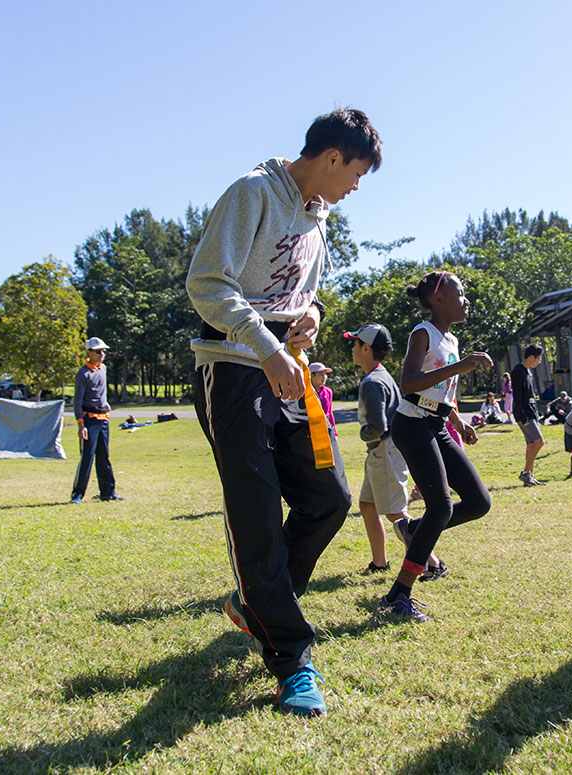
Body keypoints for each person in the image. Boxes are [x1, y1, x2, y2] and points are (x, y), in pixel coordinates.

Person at [185, 107, 381, 717]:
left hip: (290, 371)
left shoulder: (320, 217)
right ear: (332, 157)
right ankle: (292, 658)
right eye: (357, 174)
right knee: (258, 514)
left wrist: (312, 317)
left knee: (329, 498)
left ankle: (260, 605)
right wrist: (266, 347)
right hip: (234, 368)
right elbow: (207, 283)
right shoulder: (253, 193)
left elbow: (306, 292)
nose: (356, 187)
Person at [381, 270, 493, 620]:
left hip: (437, 423)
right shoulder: (423, 333)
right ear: (439, 298)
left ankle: (415, 530)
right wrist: (461, 366)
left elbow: (442, 392)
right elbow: (409, 383)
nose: (465, 299)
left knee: (479, 502)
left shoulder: (452, 339)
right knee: (440, 507)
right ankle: (398, 595)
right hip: (412, 423)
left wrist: (458, 422)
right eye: (460, 293)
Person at [348, 323, 446, 579]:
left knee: (395, 512)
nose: (352, 348)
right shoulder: (382, 376)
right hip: (384, 450)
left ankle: (433, 563)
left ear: (367, 348)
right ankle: (379, 562)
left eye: (356, 343)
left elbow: (378, 427)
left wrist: (364, 436)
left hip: (386, 450)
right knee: (367, 505)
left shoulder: (372, 382)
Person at [70, 337, 123, 504]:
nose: (102, 354)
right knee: (87, 457)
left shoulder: (103, 369)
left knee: (103, 456)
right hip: (89, 420)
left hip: (103, 419)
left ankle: (108, 492)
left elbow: (100, 390)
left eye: (103, 351)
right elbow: (77, 401)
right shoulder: (83, 373)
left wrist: (104, 402)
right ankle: (77, 494)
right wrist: (81, 424)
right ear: (89, 352)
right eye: (98, 352)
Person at [511, 344, 545, 485]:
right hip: (524, 413)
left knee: (531, 443)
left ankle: (529, 476)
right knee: (539, 441)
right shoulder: (518, 371)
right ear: (531, 357)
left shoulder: (528, 371)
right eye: (539, 358)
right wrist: (522, 416)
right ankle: (525, 473)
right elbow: (518, 397)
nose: (539, 361)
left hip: (531, 412)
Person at [308, 362, 336, 436]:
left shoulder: (328, 392)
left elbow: (330, 413)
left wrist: (334, 433)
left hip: (326, 427)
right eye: (321, 374)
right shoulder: (306, 392)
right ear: (312, 375)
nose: (324, 377)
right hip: (310, 428)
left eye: (325, 374)